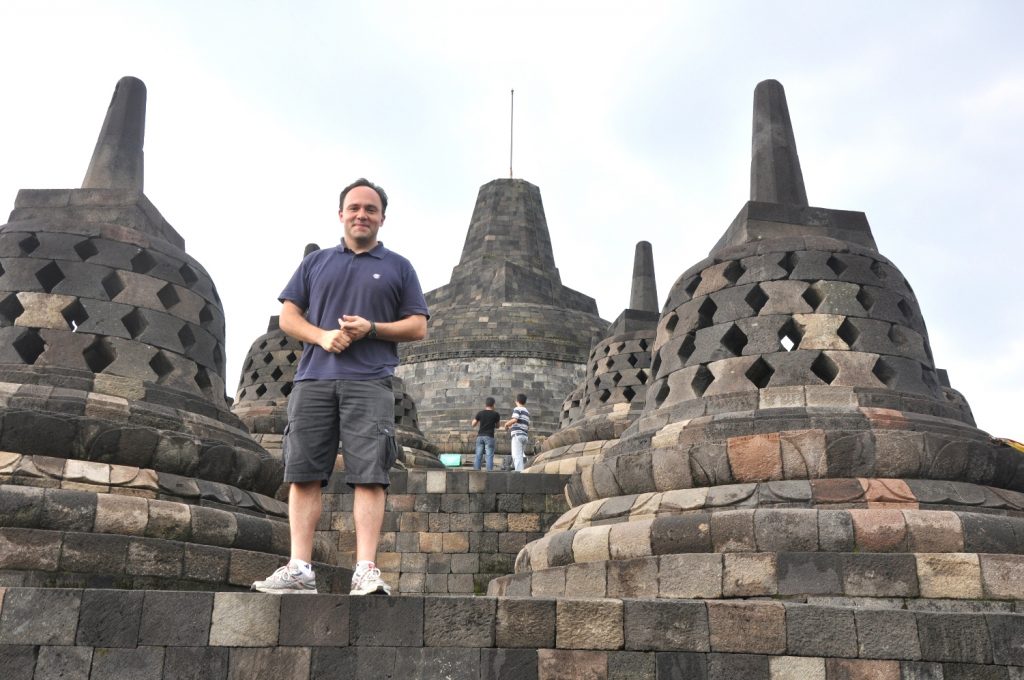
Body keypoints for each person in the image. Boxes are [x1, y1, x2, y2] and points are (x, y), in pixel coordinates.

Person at [253, 178, 428, 595]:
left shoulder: (399, 266)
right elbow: (289, 318)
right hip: (314, 379)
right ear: (341, 214)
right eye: (354, 208)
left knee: (370, 474)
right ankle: (299, 568)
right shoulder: (316, 263)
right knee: (303, 473)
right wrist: (322, 337)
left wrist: (372, 329)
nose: (361, 215)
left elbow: (418, 326)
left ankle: (365, 569)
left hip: (370, 380)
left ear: (382, 218)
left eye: (370, 209)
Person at [471, 397, 501, 471]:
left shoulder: (480, 413)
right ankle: (489, 472)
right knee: (489, 456)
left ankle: (476, 472)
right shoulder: (496, 414)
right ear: (493, 405)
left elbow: (473, 424)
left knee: (478, 455)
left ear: (485, 404)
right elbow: (498, 426)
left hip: (480, 436)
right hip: (489, 436)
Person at [503, 393, 530, 472]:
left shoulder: (517, 409)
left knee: (516, 456)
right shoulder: (527, 412)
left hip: (517, 436)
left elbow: (515, 419)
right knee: (520, 455)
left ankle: (519, 473)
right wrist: (512, 427)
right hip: (524, 436)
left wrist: (506, 424)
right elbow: (525, 424)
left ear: (517, 401)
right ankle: (521, 470)